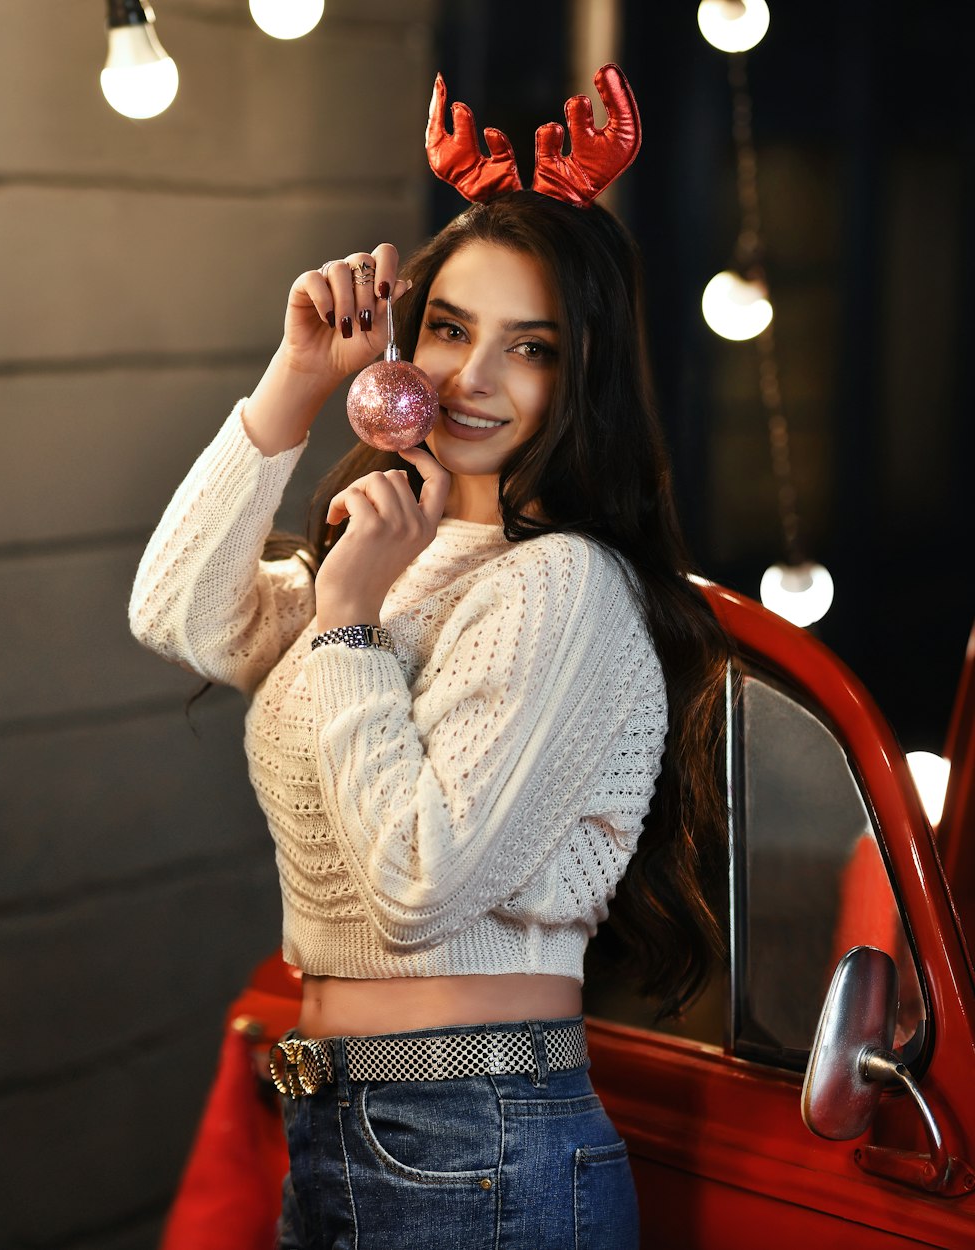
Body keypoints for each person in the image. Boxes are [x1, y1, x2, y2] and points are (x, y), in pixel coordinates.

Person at [130, 66, 730, 1250]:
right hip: (344, 1117)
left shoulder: (564, 583)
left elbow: (420, 883)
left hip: (477, 1134)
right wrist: (295, 383)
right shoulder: (397, 547)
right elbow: (180, 615)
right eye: (451, 329)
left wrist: (347, 624)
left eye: (530, 347)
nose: (471, 377)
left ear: (583, 375)